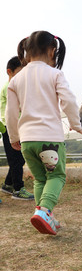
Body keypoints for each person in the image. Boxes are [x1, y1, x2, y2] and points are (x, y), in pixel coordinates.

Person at [5, 31, 82, 235]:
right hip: (49, 139)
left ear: (26, 52)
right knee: (57, 176)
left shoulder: (15, 80)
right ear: (53, 51)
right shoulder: (55, 74)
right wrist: (76, 124)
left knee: (41, 179)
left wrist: (14, 137)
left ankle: (43, 215)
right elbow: (68, 101)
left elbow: (10, 113)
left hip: (26, 141)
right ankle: (44, 211)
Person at [0, 56, 34, 200]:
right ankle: (18, 189)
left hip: (16, 126)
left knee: (18, 159)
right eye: (21, 72)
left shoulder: (15, 85)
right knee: (16, 160)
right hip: (9, 127)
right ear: (10, 71)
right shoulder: (10, 86)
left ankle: (8, 185)